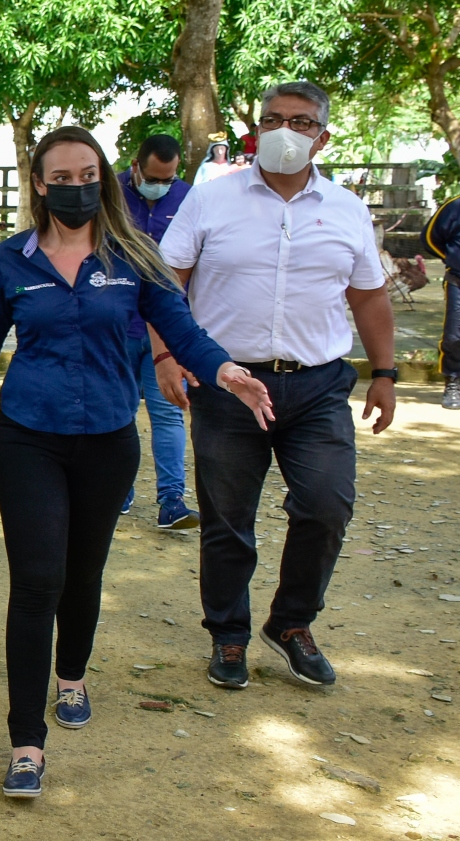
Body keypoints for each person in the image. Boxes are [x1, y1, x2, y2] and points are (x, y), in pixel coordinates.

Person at [0, 126, 271, 799]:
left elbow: (183, 332)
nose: (78, 187)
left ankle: (72, 673)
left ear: (104, 178)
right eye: (63, 176)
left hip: (110, 438)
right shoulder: (13, 261)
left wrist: (225, 370)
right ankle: (27, 739)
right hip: (29, 437)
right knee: (36, 580)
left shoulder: (134, 258)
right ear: (39, 184)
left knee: (82, 574)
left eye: (90, 174)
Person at [157, 81, 396, 691]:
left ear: (323, 136)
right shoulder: (212, 201)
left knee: (326, 506)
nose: (284, 131)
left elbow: (367, 296)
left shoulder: (345, 209)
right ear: (254, 131)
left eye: (300, 121)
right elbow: (167, 280)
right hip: (229, 385)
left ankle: (291, 624)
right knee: (227, 519)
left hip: (316, 387)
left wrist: (386, 372)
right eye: (272, 120)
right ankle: (229, 635)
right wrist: (165, 354)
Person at [116, 133, 200, 529]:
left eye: (168, 179)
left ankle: (172, 501)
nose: (160, 187)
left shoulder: (190, 199)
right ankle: (118, 493)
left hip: (167, 329)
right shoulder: (109, 194)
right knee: (120, 414)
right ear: (136, 166)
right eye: (153, 178)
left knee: (168, 412)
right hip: (117, 326)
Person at [421, 194, 460, 408]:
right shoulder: (454, 206)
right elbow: (429, 238)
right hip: (458, 281)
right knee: (454, 336)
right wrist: (451, 259)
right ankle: (453, 381)